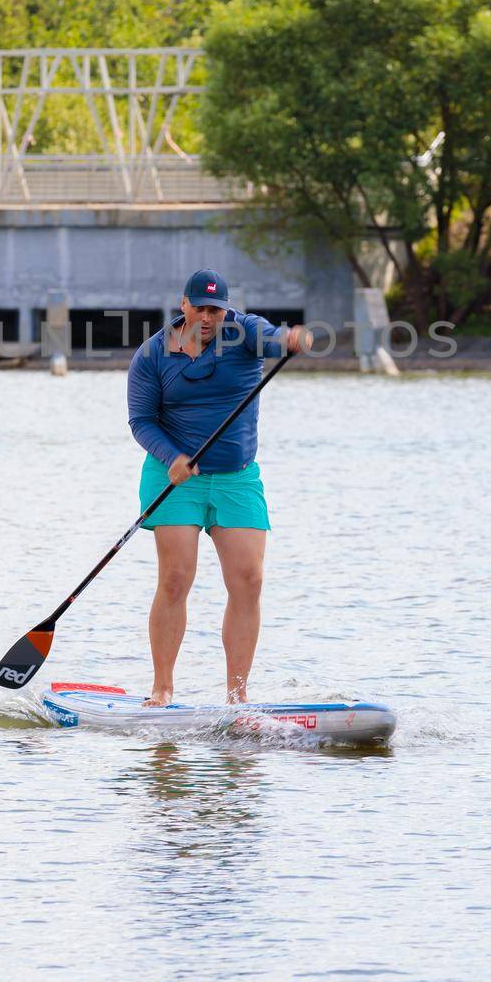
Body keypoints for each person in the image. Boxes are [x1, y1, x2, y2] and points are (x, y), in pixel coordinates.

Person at [127, 269, 311, 706]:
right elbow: (141, 420)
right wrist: (171, 457)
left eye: (216, 309)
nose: (207, 317)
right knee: (175, 578)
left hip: (237, 477)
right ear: (184, 305)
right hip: (174, 477)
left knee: (249, 580)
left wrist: (289, 340)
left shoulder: (243, 332)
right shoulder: (152, 355)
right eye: (200, 308)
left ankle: (237, 696)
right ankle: (162, 689)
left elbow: (270, 336)